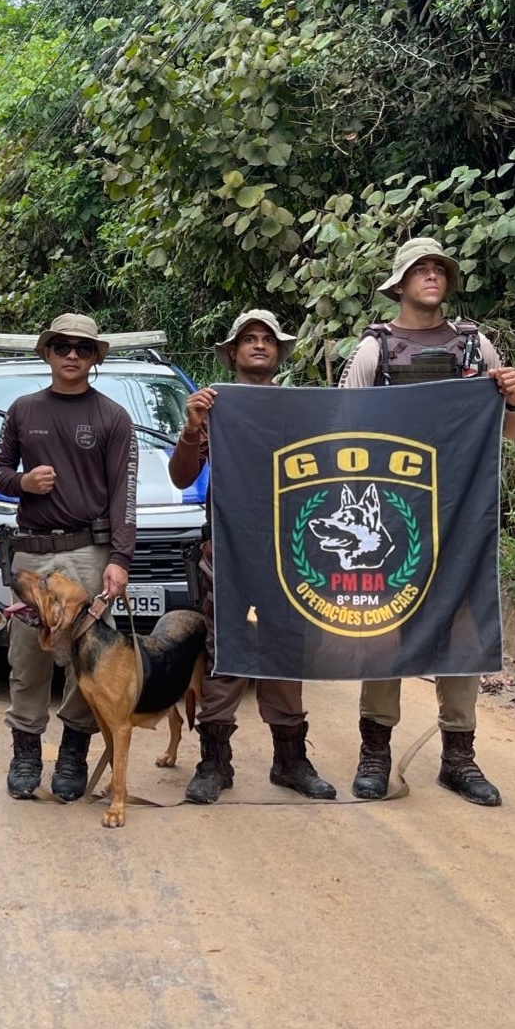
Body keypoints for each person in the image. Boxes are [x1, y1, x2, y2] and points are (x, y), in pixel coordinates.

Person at [340, 238, 515, 807]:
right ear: (400, 283)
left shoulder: (476, 345)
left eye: (440, 267)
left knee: (463, 628)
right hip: (393, 517)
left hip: (465, 512)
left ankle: (458, 758)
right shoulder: (375, 350)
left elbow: (508, 432)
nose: (433, 274)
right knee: (386, 628)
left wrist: (512, 400)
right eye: (421, 268)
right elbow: (342, 432)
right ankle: (376, 752)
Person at [168, 311, 337, 804]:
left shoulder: (297, 410)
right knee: (226, 651)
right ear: (233, 353)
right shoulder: (215, 406)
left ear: (278, 352)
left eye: (268, 340)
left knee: (287, 648)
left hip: (289, 551)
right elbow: (182, 477)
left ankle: (290, 760)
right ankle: (214, 763)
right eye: (249, 340)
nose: (259, 346)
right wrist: (193, 428)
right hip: (229, 552)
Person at [0, 312, 136, 802]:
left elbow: (124, 495)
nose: (72, 355)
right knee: (28, 657)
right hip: (34, 549)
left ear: (95, 358)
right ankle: (26, 750)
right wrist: (22, 483)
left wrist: (120, 557)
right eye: (62, 346)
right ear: (47, 352)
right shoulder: (24, 410)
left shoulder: (112, 416)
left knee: (87, 662)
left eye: (83, 348)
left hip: (89, 554)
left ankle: (74, 750)